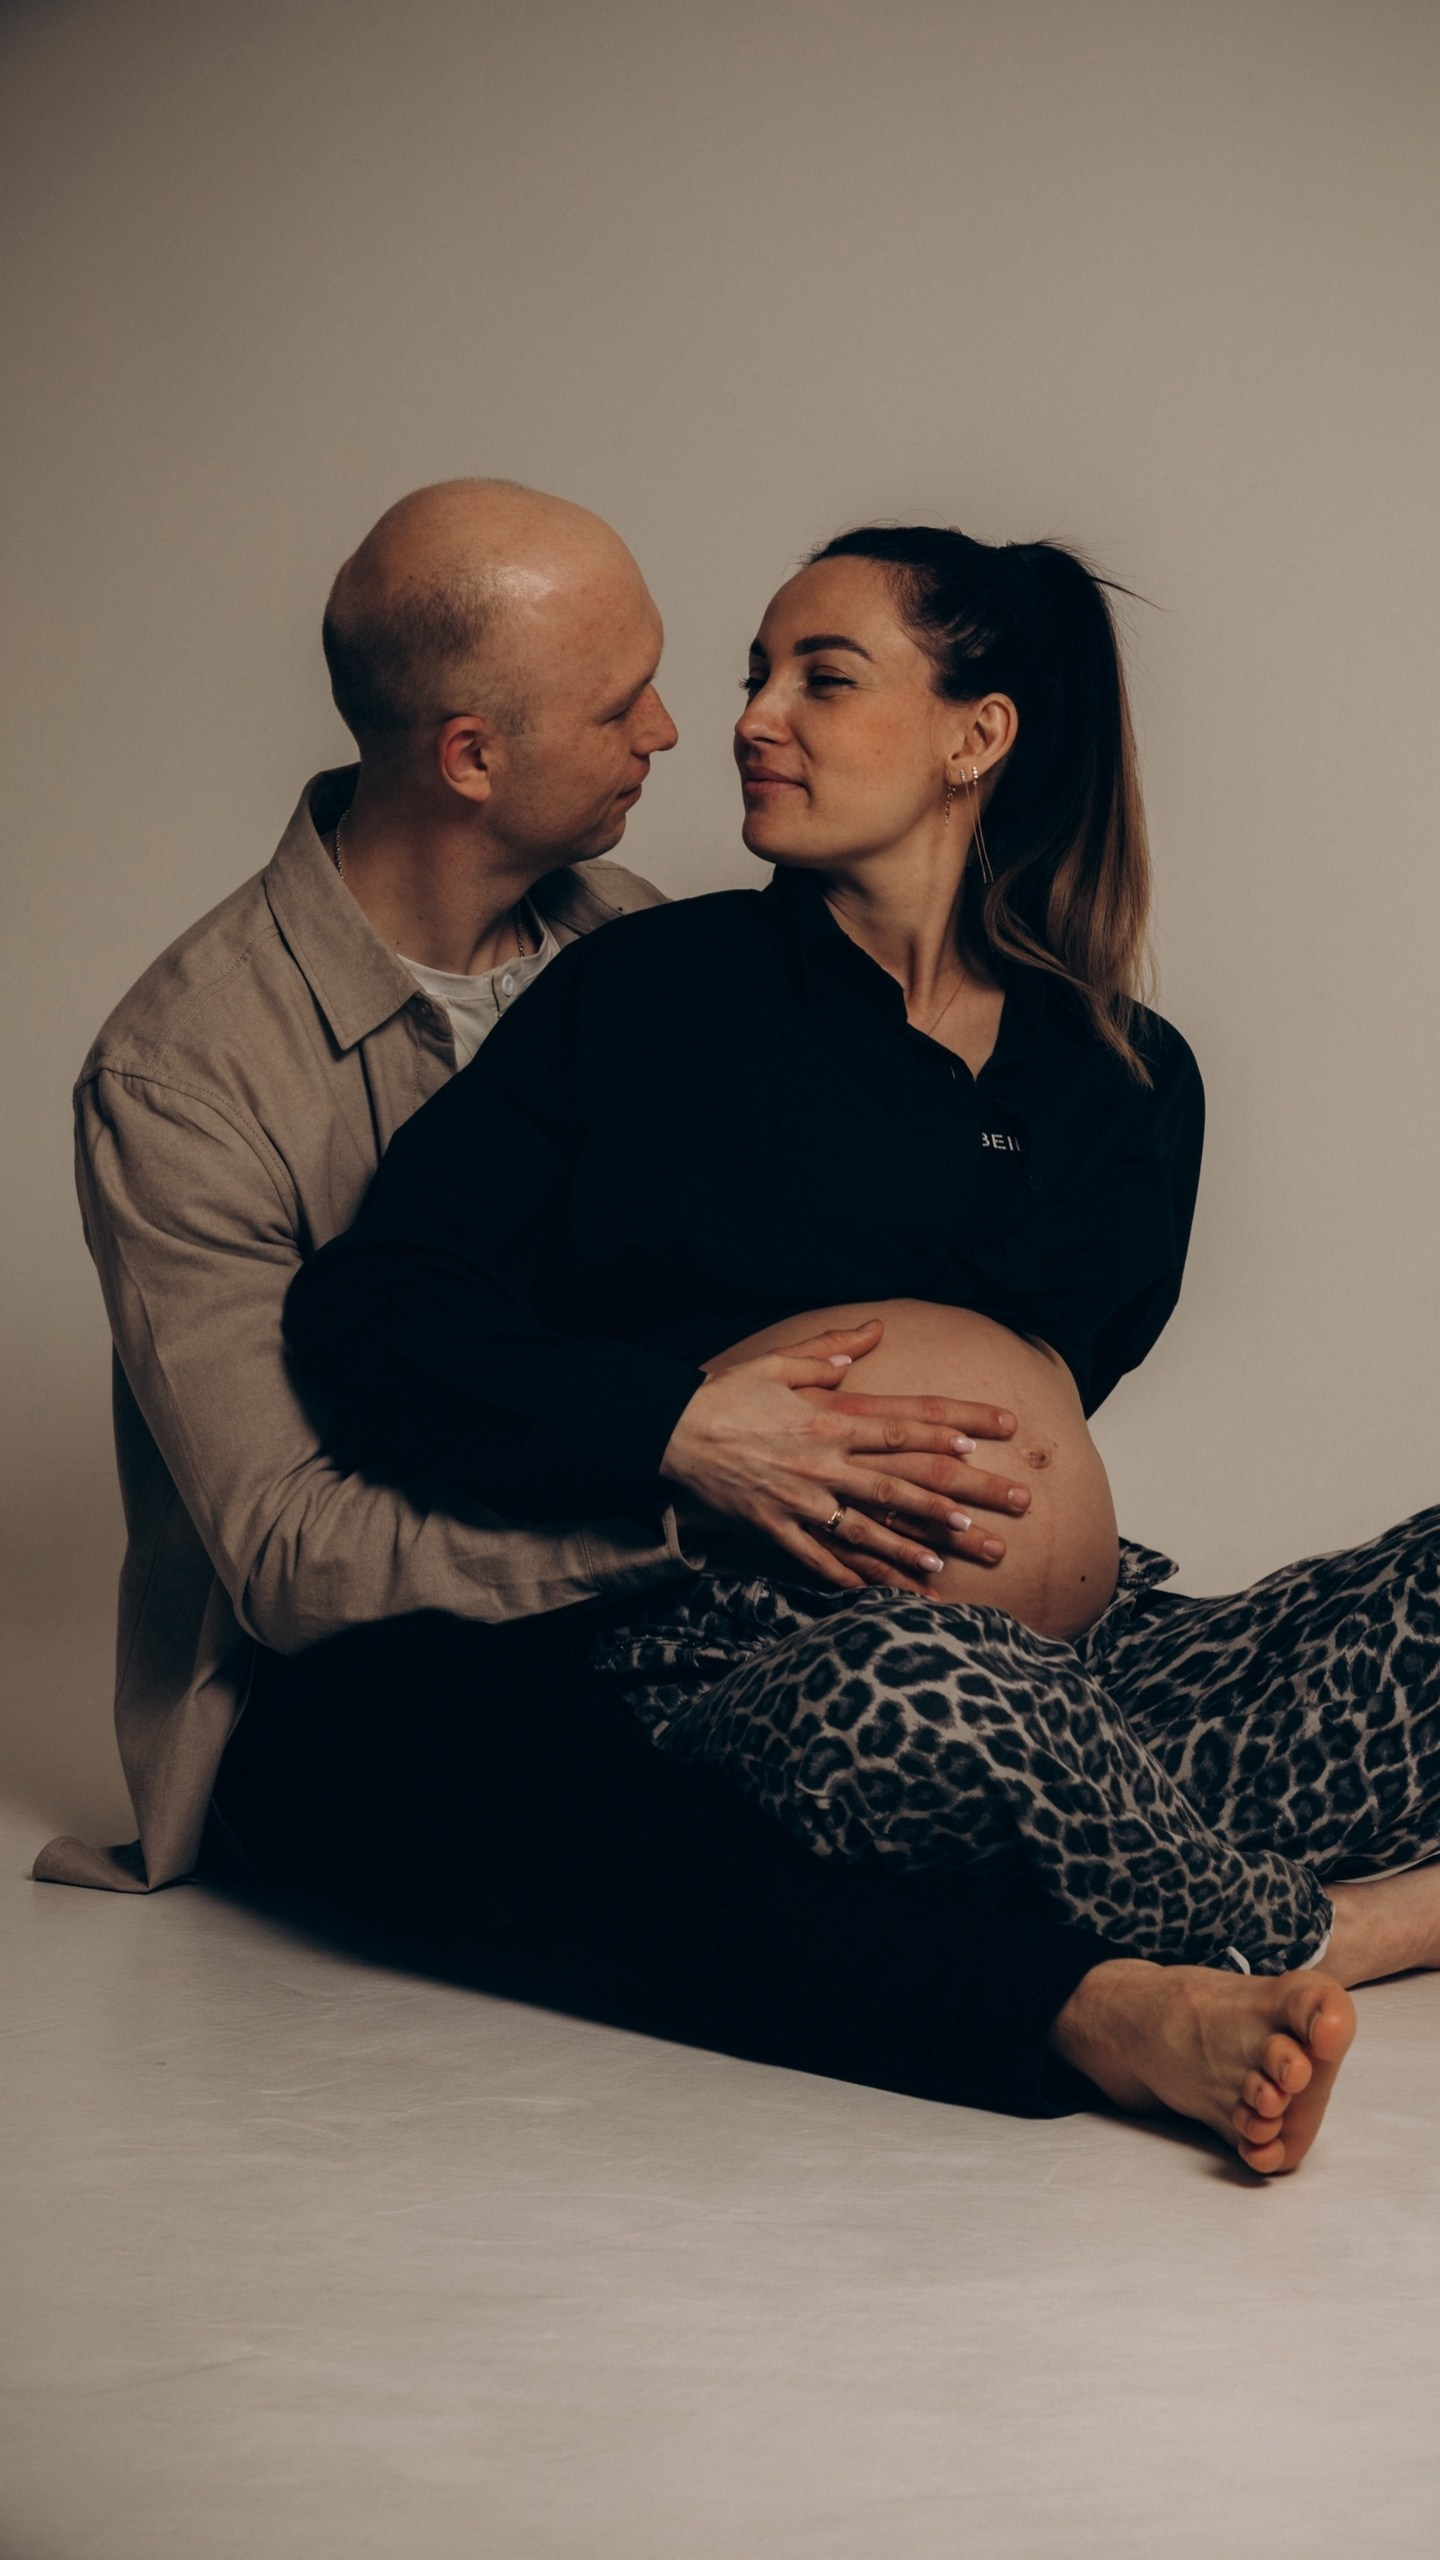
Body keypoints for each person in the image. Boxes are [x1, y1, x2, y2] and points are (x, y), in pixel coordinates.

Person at [287, 522, 1440, 2176]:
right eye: (756, 676)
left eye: (821, 679)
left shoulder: (1126, 1079)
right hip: (766, 1668)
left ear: (976, 736)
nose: (750, 718)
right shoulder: (647, 994)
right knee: (937, 1690)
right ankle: (1310, 1926)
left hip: (1097, 1673)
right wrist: (680, 1424)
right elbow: (375, 1314)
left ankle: (1098, 1850)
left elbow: (1051, 1399)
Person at [41, 477, 1238, 2130]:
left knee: (922, 1717)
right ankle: (1100, 1995)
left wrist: (864, 1499)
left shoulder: (663, 956)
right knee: (545, 1787)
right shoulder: (185, 1073)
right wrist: (693, 1493)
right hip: (364, 1674)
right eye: (626, 704)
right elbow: (293, 1558)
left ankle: (1075, 1797)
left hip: (755, 1623)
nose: (688, 730)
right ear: (473, 756)